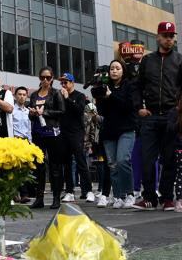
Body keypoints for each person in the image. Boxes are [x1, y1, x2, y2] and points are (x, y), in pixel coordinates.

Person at [132, 21, 182, 210]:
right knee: (147, 159)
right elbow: (137, 86)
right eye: (166, 36)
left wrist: (179, 109)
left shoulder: (181, 60)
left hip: (170, 116)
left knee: (169, 159)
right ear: (158, 37)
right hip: (149, 116)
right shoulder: (147, 61)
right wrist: (138, 107)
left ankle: (167, 198)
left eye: (172, 36)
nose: (169, 39)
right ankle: (149, 197)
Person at [92, 59, 137, 209]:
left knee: (123, 160)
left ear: (123, 70)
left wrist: (111, 96)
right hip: (109, 131)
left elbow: (128, 106)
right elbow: (102, 111)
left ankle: (130, 194)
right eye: (112, 68)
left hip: (126, 129)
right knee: (112, 165)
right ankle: (118, 196)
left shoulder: (129, 86)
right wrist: (101, 96)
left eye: (117, 68)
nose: (114, 71)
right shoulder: (105, 87)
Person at [29, 66, 67, 209]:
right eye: (42, 77)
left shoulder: (56, 93)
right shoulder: (34, 95)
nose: (45, 80)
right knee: (39, 166)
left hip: (53, 133)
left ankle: (56, 198)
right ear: (39, 78)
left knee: (55, 166)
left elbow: (62, 111)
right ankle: (39, 198)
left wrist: (45, 112)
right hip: (38, 133)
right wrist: (32, 113)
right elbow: (30, 116)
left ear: (52, 79)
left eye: (48, 78)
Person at [57, 72, 94, 202]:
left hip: (76, 132)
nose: (63, 85)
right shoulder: (59, 95)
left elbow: (79, 110)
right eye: (62, 82)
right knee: (66, 163)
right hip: (63, 132)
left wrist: (67, 98)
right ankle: (69, 191)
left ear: (72, 83)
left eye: (66, 82)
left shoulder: (79, 96)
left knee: (81, 160)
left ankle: (89, 190)